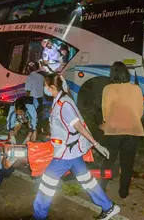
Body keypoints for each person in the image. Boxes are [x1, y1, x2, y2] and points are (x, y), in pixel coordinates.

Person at [33, 73, 120, 220]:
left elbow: (78, 126)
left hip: (65, 154)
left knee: (46, 184)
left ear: (52, 87)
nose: (44, 88)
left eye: (45, 86)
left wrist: (96, 144)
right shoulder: (62, 99)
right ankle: (108, 207)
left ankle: (39, 216)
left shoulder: (63, 104)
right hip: (72, 152)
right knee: (87, 180)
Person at [99, 61, 144, 199]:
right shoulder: (136, 88)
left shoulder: (107, 89)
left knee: (108, 160)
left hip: (113, 129)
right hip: (133, 130)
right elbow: (140, 111)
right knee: (127, 163)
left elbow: (105, 111)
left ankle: (101, 188)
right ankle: (123, 192)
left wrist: (106, 122)